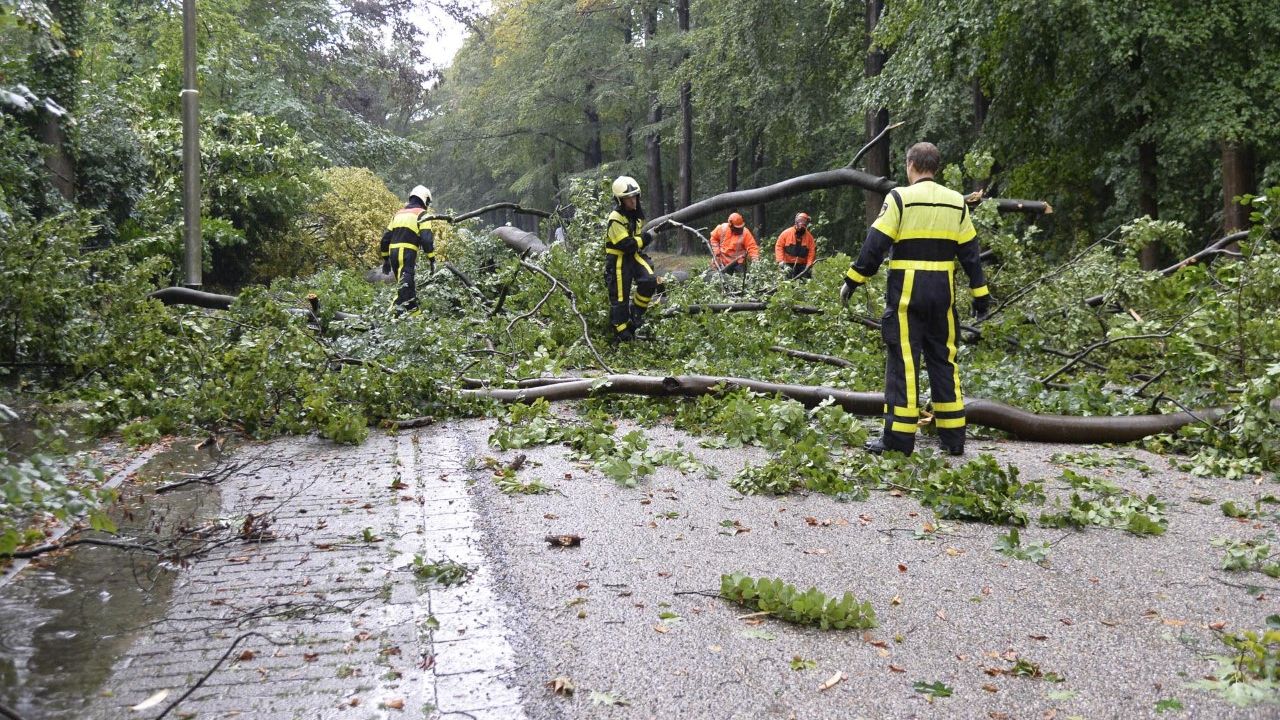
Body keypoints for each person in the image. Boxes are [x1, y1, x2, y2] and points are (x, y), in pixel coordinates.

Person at [839, 142, 991, 456]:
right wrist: (980, 295)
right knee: (944, 362)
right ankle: (953, 439)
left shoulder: (899, 198)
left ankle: (898, 440)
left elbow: (875, 245)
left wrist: (853, 279)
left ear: (910, 165)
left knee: (904, 366)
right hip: (943, 296)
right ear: (935, 166)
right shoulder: (956, 202)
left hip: (907, 295)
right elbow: (971, 255)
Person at [604, 176, 657, 342]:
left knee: (649, 280)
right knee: (620, 298)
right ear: (620, 200)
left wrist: (644, 239)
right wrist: (647, 238)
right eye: (629, 198)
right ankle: (621, 333)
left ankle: (636, 314)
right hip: (619, 260)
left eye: (635, 197)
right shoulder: (615, 218)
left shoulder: (637, 215)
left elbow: (635, 244)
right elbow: (625, 244)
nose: (633, 201)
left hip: (633, 257)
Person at [380, 185, 436, 314]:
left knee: (409, 289)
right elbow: (427, 240)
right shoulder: (422, 214)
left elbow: (385, 239)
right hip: (406, 254)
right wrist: (432, 259)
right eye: (427, 202)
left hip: (394, 255)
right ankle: (388, 317)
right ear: (424, 199)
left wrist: (386, 259)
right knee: (404, 287)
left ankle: (416, 317)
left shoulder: (398, 214)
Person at [775, 212, 816, 279]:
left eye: (804, 221)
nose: (802, 223)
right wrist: (781, 262)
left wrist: (809, 265)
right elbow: (779, 246)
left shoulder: (809, 238)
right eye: (800, 220)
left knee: (806, 278)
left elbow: (811, 253)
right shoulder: (786, 233)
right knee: (786, 278)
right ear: (796, 221)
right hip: (787, 263)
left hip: (802, 265)